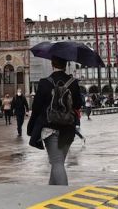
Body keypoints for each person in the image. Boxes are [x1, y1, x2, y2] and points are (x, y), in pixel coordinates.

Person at [27, 57, 83, 186]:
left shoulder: (44, 83)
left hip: (49, 128)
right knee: (58, 163)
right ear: (66, 64)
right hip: (68, 128)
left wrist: (31, 128)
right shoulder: (73, 83)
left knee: (57, 163)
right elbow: (78, 104)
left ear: (52, 64)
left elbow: (36, 108)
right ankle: (51, 192)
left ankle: (64, 196)